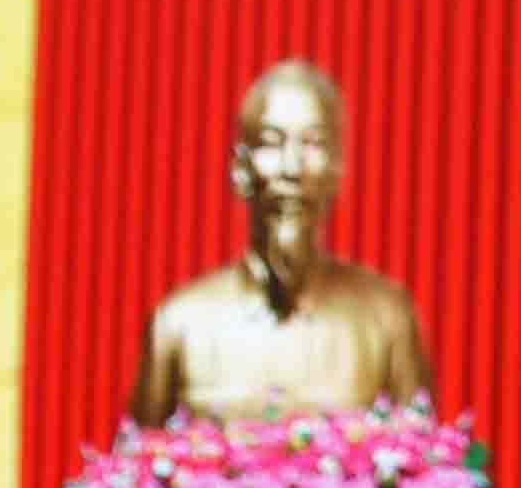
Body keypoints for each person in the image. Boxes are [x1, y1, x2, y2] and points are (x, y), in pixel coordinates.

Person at [130, 56, 435, 425]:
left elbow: (426, 455)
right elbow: (138, 454)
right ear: (240, 168)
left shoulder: (387, 320)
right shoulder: (180, 324)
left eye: (313, 143)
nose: (292, 168)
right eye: (272, 143)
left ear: (337, 168)